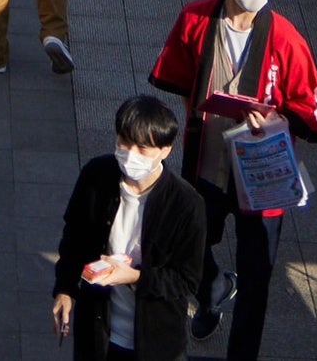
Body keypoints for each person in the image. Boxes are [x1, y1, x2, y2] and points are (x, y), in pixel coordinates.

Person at [146, 0, 317, 359]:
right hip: (206, 160)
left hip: (261, 171)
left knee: (258, 273)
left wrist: (276, 117)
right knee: (189, 241)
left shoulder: (286, 38)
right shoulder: (195, 19)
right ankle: (213, 288)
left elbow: (309, 106)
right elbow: (177, 77)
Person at [49, 96, 205, 360]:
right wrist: (64, 290)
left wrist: (133, 277)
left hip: (155, 341)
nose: (131, 154)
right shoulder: (96, 176)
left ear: (165, 150)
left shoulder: (186, 204)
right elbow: (74, 239)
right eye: (124, 142)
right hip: (99, 331)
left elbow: (186, 281)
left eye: (143, 149)